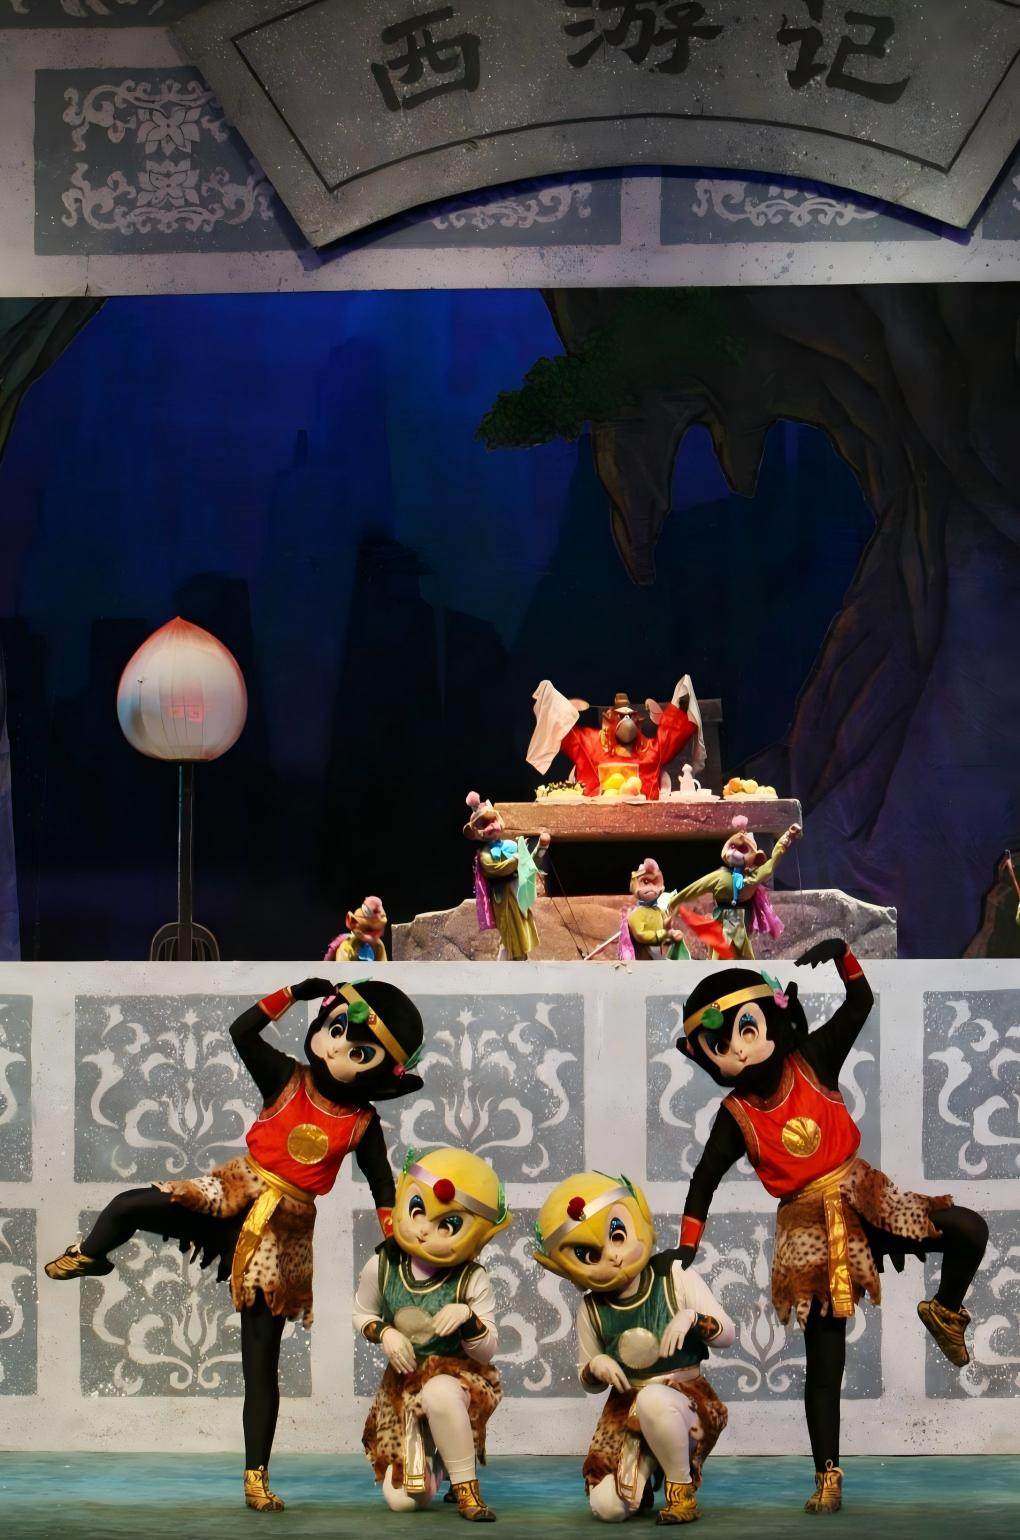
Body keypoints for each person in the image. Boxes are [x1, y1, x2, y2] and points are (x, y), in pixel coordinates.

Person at [45, 976, 425, 1513]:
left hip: (283, 1237)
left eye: (360, 1052)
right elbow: (241, 1032)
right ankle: (91, 1255)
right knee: (131, 1205)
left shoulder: (362, 1123)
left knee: (260, 1364)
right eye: (337, 1029)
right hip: (230, 1192)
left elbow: (383, 1187)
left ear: (383, 1073)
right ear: (323, 1023)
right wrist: (292, 993)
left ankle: (256, 1478)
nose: (338, 1048)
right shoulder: (286, 1078)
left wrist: (399, 1243)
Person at [674, 939, 989, 1513]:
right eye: (720, 1046)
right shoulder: (736, 1116)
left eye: (747, 1029)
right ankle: (827, 1475)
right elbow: (703, 1181)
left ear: (774, 1019)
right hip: (808, 1232)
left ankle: (945, 1311)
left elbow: (859, 1002)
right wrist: (686, 1248)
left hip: (867, 1196)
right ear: (706, 1057)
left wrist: (844, 953)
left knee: (968, 1229)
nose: (738, 1049)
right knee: (825, 1362)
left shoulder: (812, 1060)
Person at [534, 1171, 732, 1525]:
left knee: (654, 1400)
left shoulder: (673, 1274)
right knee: (607, 1508)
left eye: (617, 1235)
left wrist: (692, 1319)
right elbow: (588, 1379)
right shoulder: (592, 1308)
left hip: (687, 1403)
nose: (612, 1256)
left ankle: (680, 1491)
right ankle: (643, 1479)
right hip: (626, 1407)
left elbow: (727, 1334)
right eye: (589, 1254)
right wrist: (597, 1366)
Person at [356, 1146, 511, 1522]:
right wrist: (385, 1333)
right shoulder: (383, 1264)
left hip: (458, 1379)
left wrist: (467, 1317)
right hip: (404, 1382)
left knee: (439, 1392)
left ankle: (467, 1490)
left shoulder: (471, 1278)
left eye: (448, 1225)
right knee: (405, 1500)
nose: (425, 1230)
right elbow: (362, 1314)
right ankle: (441, 1460)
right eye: (417, 1210)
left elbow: (487, 1350)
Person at [668, 814, 801, 959]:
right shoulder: (720, 876)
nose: (734, 852)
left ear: (756, 857)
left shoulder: (752, 878)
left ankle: (742, 967)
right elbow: (696, 888)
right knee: (721, 947)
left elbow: (772, 863)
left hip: (739, 918)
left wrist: (787, 837)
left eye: (742, 849)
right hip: (721, 918)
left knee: (738, 948)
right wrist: (674, 902)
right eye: (732, 847)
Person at [464, 791, 550, 960]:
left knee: (523, 927)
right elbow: (496, 868)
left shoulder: (510, 845)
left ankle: (520, 959)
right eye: (484, 824)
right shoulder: (485, 855)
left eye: (492, 821)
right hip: (502, 897)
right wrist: (518, 858)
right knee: (509, 930)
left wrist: (540, 848)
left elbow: (527, 865)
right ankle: (512, 962)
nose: (490, 826)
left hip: (518, 891)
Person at [325, 895, 388, 962]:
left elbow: (383, 964)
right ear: (351, 922)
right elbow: (342, 966)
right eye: (368, 929)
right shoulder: (347, 947)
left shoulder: (379, 946)